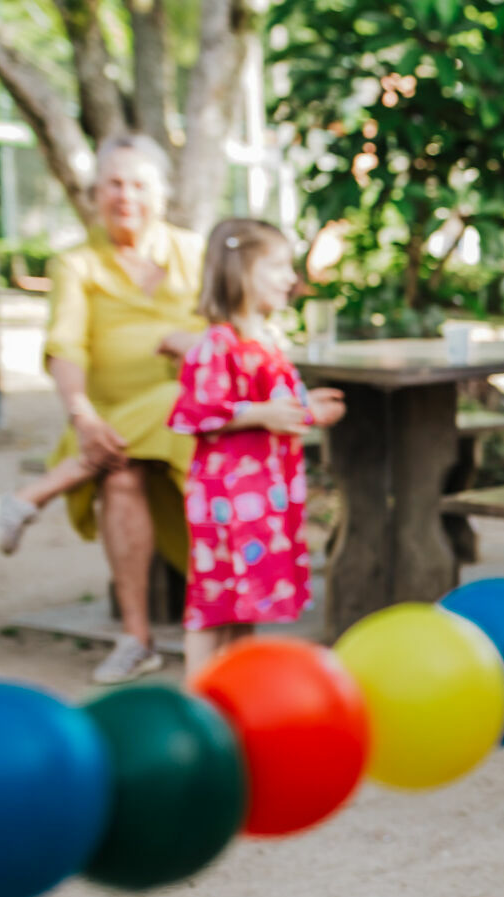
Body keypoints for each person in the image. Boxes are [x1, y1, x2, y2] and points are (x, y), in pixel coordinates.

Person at [0, 134, 206, 684]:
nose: (125, 196)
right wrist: (81, 414)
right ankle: (136, 640)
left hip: (199, 421)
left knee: (179, 394)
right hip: (106, 424)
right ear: (95, 194)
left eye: (137, 184)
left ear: (161, 193)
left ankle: (28, 498)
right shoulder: (76, 264)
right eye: (113, 184)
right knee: (120, 474)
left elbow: (236, 332)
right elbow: (66, 346)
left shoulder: (196, 252)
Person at [166, 220, 345, 676]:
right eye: (278, 266)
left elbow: (267, 405)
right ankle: (200, 701)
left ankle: (231, 696)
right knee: (214, 603)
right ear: (241, 270)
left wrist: (306, 409)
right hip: (226, 498)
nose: (291, 277)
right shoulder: (218, 342)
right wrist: (261, 414)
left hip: (262, 495)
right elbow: (196, 411)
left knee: (240, 604)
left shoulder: (264, 340)